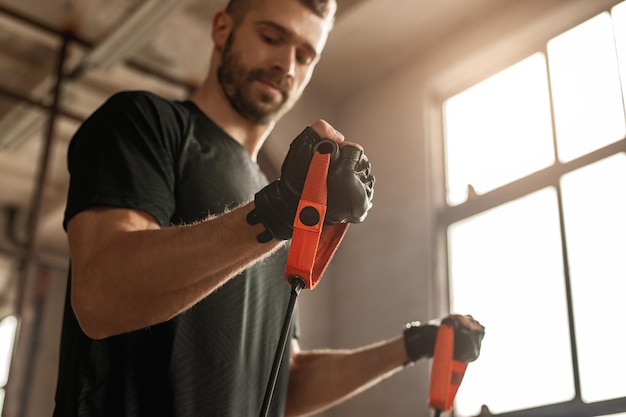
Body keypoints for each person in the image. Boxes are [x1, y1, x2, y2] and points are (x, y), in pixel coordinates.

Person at [52, 0, 485, 416]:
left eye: (304, 53)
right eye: (271, 37)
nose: (287, 64)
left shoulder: (276, 192)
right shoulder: (147, 124)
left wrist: (415, 345)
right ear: (222, 29)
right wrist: (278, 212)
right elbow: (100, 298)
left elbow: (284, 385)